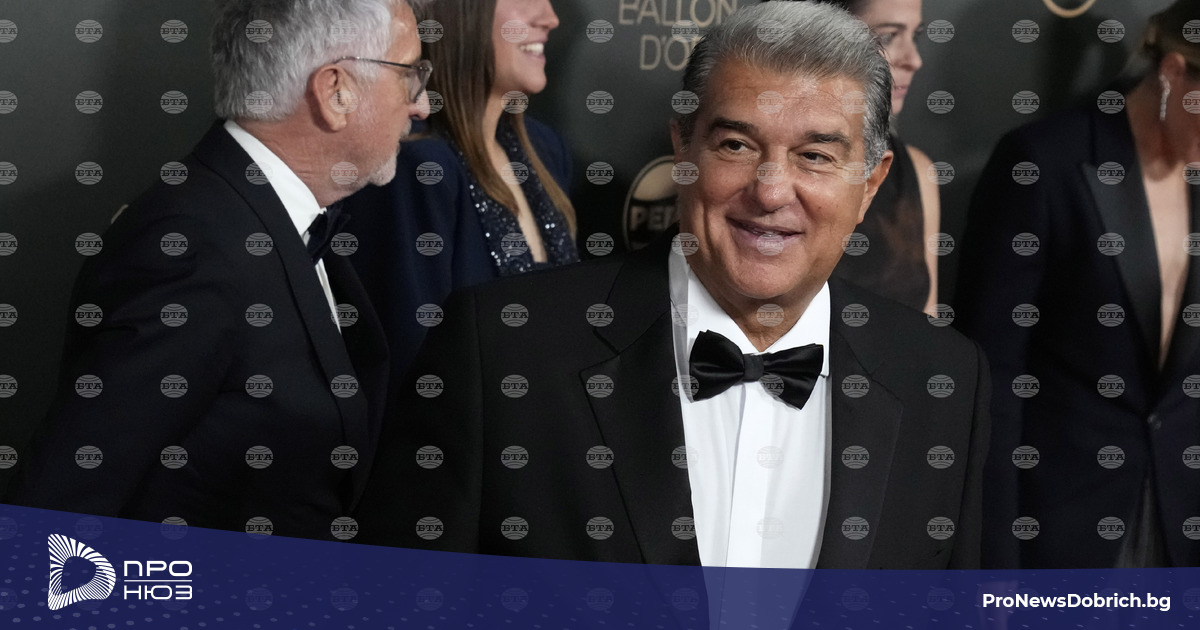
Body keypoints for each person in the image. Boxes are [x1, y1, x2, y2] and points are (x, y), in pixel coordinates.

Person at [355, 1, 990, 569]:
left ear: (870, 184)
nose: (771, 191)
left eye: (815, 156)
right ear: (683, 149)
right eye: (737, 145)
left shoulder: (943, 383)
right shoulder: (502, 352)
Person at [5, 0, 429, 540]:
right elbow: (62, 503)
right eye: (409, 74)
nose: (421, 104)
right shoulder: (189, 248)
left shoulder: (272, 220)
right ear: (335, 91)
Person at [957, 0, 1200, 569]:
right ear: (1173, 73)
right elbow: (992, 376)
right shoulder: (1043, 164)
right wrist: (995, 560)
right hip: (1059, 526)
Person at [342, 0, 578, 401]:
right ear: (461, 15)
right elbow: (411, 377)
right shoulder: (420, 168)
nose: (550, 18)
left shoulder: (545, 150)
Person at [780, 0, 940, 314]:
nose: (914, 60)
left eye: (915, 36)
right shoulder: (764, 172)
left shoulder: (917, 172)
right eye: (888, 37)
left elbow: (928, 326)